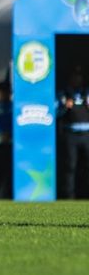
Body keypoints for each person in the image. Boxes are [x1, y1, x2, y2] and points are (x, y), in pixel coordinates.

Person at [56, 66, 89, 199]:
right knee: (70, 166)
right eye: (74, 76)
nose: (77, 79)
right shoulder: (63, 94)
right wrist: (64, 107)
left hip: (87, 134)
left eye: (79, 76)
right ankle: (69, 196)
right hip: (71, 133)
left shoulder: (86, 93)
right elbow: (55, 113)